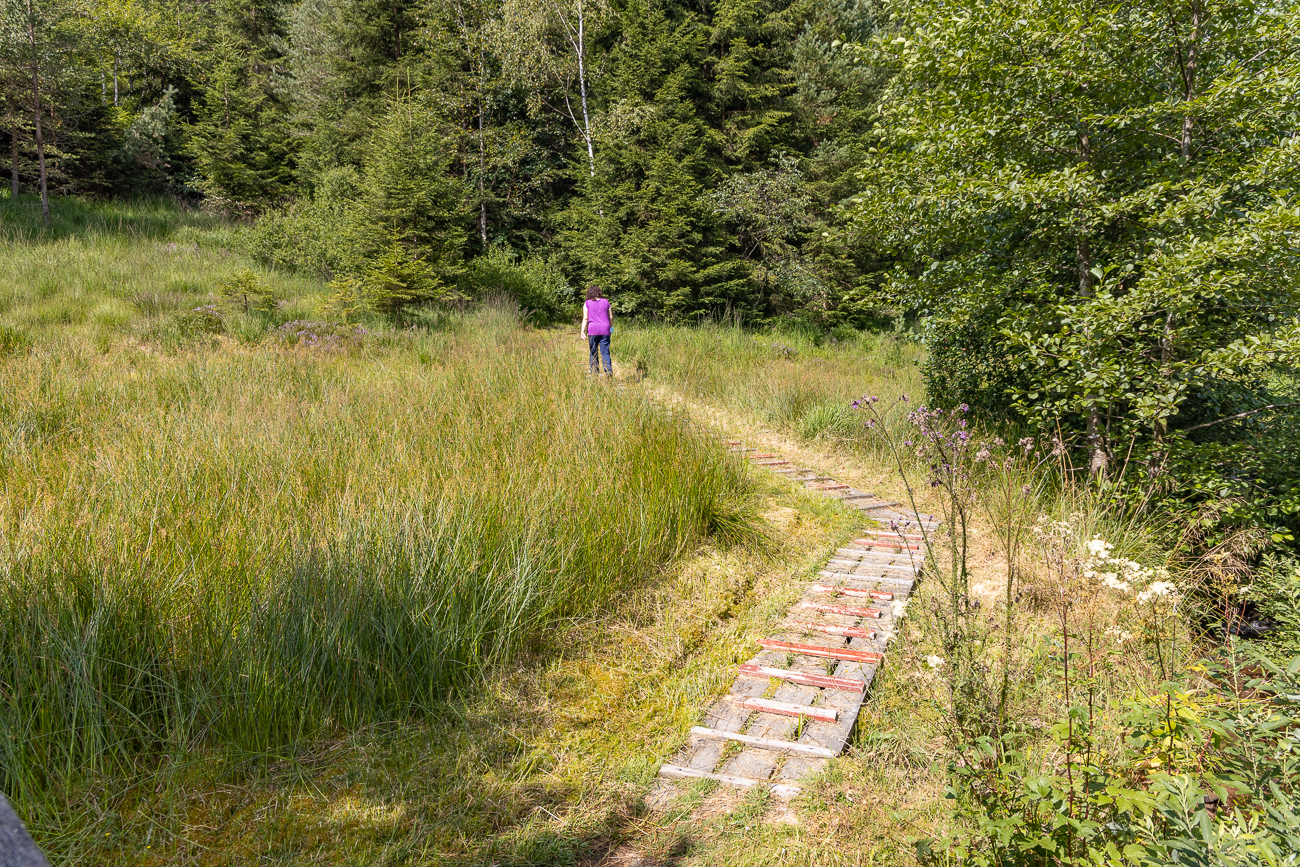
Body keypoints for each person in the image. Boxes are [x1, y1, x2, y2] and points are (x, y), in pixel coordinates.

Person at [580, 285, 613, 376]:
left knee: (593, 351)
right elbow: (611, 317)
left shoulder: (587, 303)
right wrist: (611, 327)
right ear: (599, 292)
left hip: (593, 330)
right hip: (605, 329)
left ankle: (595, 373)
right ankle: (608, 370)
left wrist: (582, 331)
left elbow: (585, 318)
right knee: (605, 352)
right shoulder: (606, 301)